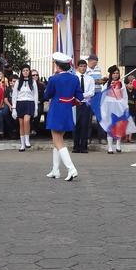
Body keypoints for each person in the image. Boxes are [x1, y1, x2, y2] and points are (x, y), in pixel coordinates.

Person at [42, 52, 82, 181]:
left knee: (58, 142)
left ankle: (71, 169)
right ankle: (55, 170)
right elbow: (79, 96)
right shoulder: (75, 78)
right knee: (57, 141)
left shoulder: (54, 79)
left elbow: (47, 95)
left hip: (57, 109)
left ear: (58, 66)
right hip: (67, 110)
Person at [11, 65, 38, 152]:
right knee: (21, 123)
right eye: (24, 70)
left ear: (29, 71)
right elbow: (14, 95)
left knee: (27, 120)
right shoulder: (18, 82)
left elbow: (35, 95)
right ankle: (22, 144)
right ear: (21, 72)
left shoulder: (33, 82)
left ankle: (27, 140)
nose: (25, 72)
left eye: (27, 70)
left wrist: (36, 108)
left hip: (29, 103)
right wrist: (14, 108)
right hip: (20, 103)